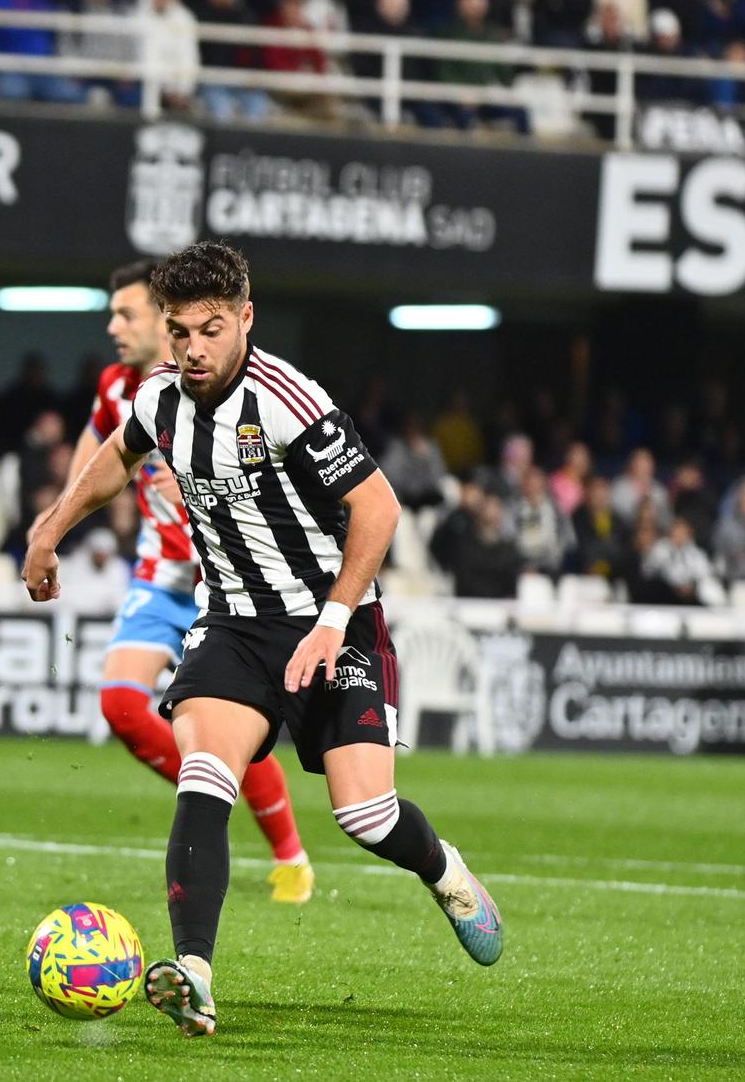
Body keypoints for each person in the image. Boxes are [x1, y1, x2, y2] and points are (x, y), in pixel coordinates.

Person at [25, 242, 503, 1037]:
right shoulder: (158, 399)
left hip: (332, 618)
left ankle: (446, 871)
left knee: (366, 815)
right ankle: (196, 976)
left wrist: (331, 620)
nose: (194, 349)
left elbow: (378, 510)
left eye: (211, 329)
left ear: (245, 318)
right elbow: (115, 457)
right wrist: (50, 531)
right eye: (179, 332)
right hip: (233, 624)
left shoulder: (288, 400)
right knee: (204, 774)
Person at [61, 260, 315, 904]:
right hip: (161, 572)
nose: (114, 326)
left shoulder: (225, 390)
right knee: (121, 705)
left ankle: (289, 854)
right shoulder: (121, 388)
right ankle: (213, 788)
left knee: (228, 729)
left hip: (229, 588)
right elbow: (99, 454)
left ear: (164, 320)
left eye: (127, 314)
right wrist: (55, 524)